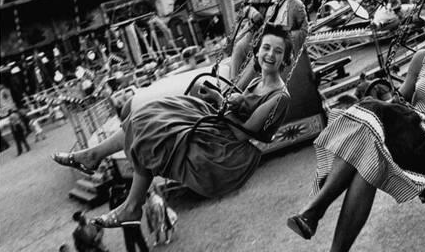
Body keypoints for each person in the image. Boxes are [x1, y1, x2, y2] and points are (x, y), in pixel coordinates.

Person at [53, 24, 292, 228]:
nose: (270, 55)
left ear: (285, 58)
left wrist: (220, 102)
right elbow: (237, 102)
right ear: (258, 50)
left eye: (278, 51)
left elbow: (243, 133)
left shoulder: (279, 96)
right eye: (266, 48)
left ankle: (121, 191)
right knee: (149, 114)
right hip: (219, 125)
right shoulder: (258, 81)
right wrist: (220, 98)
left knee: (154, 129)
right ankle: (98, 163)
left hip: (226, 146)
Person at [286, 43, 425, 252]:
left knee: (370, 113)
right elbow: (399, 103)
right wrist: (383, 100)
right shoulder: (423, 58)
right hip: (411, 139)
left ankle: (316, 209)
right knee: (367, 153)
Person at [231, 0, 308, 87]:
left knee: (257, 58)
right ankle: (231, 82)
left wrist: (284, 34)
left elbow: (304, 31)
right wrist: (253, 13)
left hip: (275, 41)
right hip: (256, 35)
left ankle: (236, 90)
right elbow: (245, 8)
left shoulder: (297, 6)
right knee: (239, 48)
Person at [109, 184, 150, 252]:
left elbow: (112, 210)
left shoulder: (119, 201)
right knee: (139, 237)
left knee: (130, 245)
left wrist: (111, 198)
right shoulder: (128, 196)